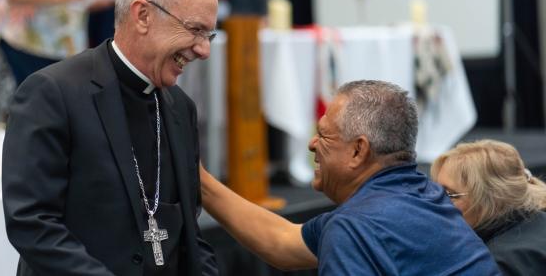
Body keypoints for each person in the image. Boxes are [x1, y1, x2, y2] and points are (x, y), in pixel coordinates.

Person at [2, 0, 219, 276]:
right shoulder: (52, 93)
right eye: (195, 30)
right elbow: (32, 224)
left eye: (209, 35)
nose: (204, 50)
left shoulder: (180, 108)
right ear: (143, 15)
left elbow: (190, 232)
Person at [200, 80, 501, 275]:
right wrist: (197, 178)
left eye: (323, 135)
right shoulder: (430, 199)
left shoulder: (352, 228)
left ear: (359, 151)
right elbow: (280, 241)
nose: (311, 144)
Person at [431, 140, 546, 276]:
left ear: (492, 199)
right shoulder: (538, 220)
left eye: (449, 194)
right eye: (434, 190)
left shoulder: (495, 264)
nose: (434, 202)